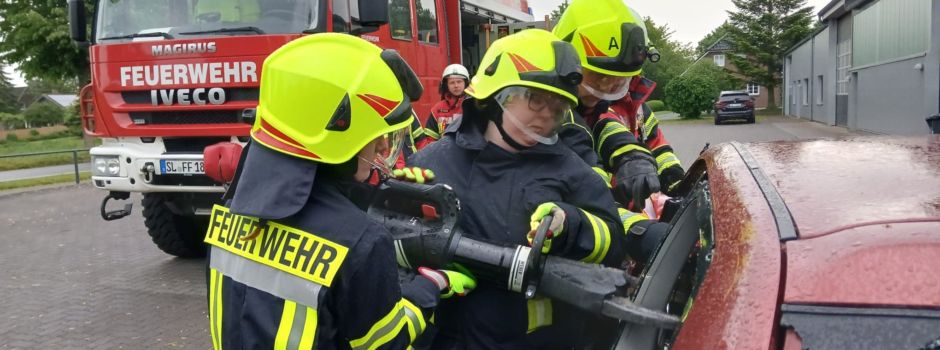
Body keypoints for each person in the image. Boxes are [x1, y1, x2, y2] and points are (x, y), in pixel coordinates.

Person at [202, 33, 474, 350]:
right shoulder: (363, 242)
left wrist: (376, 193)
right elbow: (387, 342)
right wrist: (428, 287)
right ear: (337, 134)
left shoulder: (228, 211)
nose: (384, 146)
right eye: (376, 135)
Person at [408, 29, 625, 349]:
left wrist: (569, 223)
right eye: (537, 101)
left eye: (557, 106)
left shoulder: (569, 168)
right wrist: (402, 197)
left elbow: (613, 240)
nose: (547, 115)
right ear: (498, 95)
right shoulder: (434, 161)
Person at [552, 0, 684, 213]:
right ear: (568, 63)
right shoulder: (554, 112)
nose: (609, 87)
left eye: (619, 79)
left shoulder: (633, 104)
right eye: (600, 77)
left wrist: (676, 179)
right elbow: (604, 135)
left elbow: (656, 143)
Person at [410, 64, 471, 150]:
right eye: (452, 82)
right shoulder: (437, 110)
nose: (456, 85)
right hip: (444, 157)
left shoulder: (472, 106)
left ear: (466, 83)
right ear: (446, 85)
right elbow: (430, 139)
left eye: (459, 81)